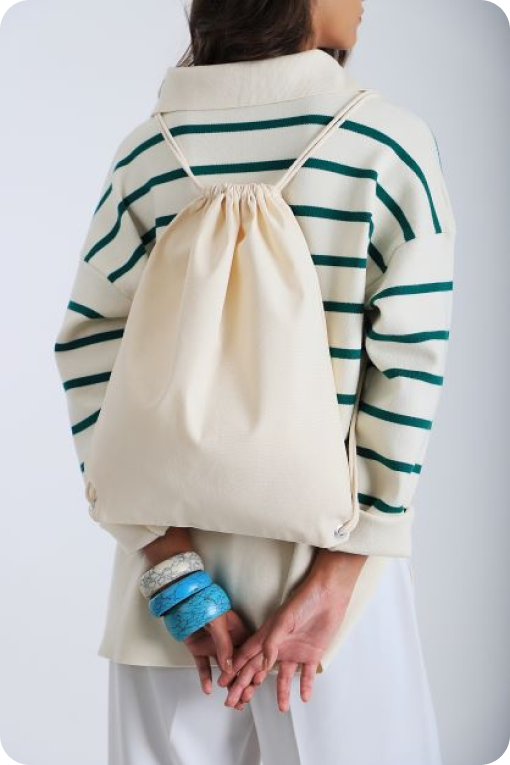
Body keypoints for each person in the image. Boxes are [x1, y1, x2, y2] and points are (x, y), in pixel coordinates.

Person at [54, 1, 455, 763]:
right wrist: (339, 573)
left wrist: (173, 568)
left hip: (170, 595)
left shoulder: (148, 151)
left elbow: (89, 346)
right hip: (332, 588)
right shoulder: (386, 142)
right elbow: (409, 362)